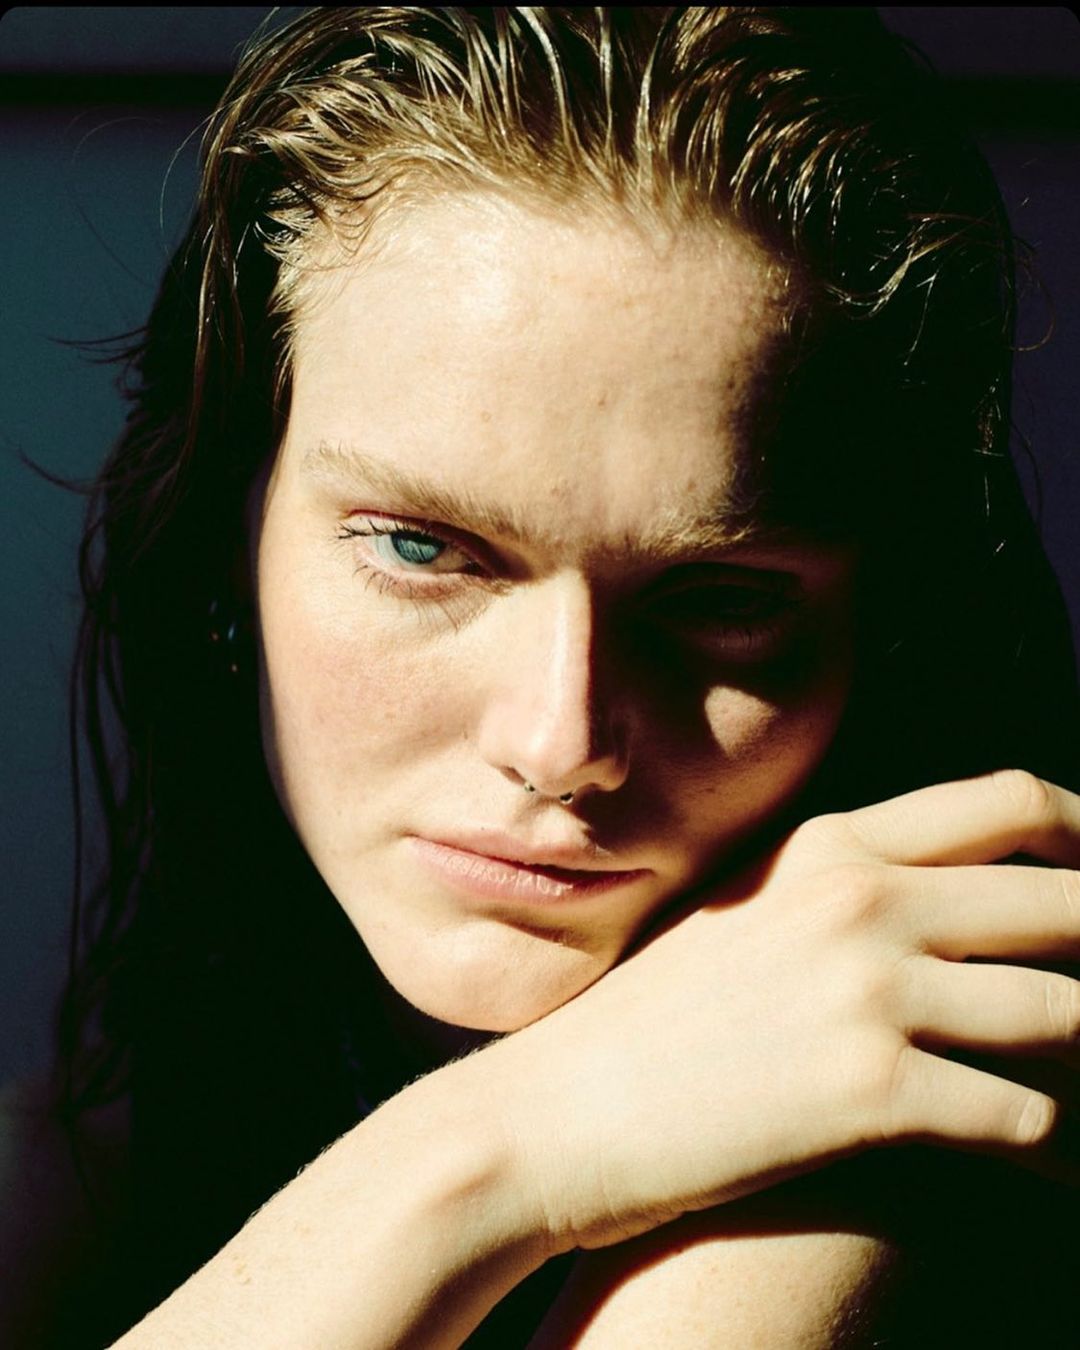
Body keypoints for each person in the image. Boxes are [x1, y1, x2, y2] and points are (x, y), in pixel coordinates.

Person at [3, 6, 1079, 1346]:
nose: (560, 740)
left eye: (724, 601)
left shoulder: (876, 1174)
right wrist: (516, 1131)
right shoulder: (86, 1163)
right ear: (231, 532)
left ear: (888, 621)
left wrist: (481, 1157)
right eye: (421, 548)